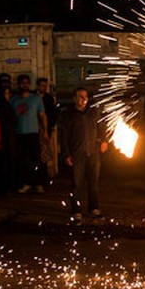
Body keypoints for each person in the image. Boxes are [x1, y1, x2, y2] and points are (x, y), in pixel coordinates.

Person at [61, 87, 108, 225]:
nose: (83, 99)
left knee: (93, 182)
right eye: (80, 96)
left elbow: (101, 126)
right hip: (77, 154)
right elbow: (64, 136)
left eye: (85, 96)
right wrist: (66, 154)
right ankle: (76, 211)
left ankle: (94, 208)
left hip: (93, 153)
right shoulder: (69, 115)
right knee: (76, 183)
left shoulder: (93, 112)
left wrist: (104, 140)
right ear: (74, 98)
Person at [11, 74, 48, 194]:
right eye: (22, 83)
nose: (25, 85)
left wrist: (45, 131)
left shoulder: (36, 99)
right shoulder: (14, 100)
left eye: (27, 83)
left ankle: (37, 183)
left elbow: (42, 116)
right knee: (22, 160)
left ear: (29, 84)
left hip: (33, 133)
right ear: (18, 84)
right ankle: (25, 183)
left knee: (35, 160)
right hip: (19, 134)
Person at [36, 77, 58, 188]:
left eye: (45, 86)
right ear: (37, 86)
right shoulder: (33, 97)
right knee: (36, 153)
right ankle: (38, 178)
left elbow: (53, 113)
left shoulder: (48, 98)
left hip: (46, 129)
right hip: (34, 129)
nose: (43, 88)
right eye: (42, 86)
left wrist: (51, 127)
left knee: (44, 153)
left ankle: (44, 178)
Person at [0, 87, 17, 194]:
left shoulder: (5, 106)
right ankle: (7, 186)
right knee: (6, 162)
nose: (9, 95)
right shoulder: (5, 106)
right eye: (7, 93)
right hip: (5, 138)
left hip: (6, 137)